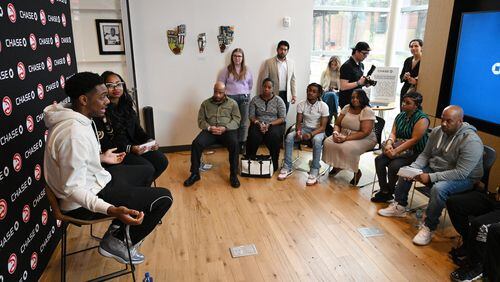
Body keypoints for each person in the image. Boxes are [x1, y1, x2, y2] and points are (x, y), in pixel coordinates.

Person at [43, 72, 173, 264]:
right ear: (84, 99)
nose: (107, 100)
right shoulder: (74, 134)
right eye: (102, 96)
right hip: (80, 204)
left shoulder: (78, 118)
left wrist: (101, 157)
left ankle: (118, 227)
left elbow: (74, 160)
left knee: (145, 170)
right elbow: (72, 189)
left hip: (95, 182)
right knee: (164, 197)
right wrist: (112, 210)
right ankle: (116, 241)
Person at [378, 105, 484, 246]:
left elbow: (461, 172)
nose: (444, 124)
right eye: (443, 119)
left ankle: (429, 226)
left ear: (460, 121)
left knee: (439, 189)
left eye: (449, 121)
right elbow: (426, 154)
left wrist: (431, 177)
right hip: (438, 168)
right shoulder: (437, 131)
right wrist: (413, 168)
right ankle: (400, 206)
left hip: (465, 177)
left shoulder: (471, 141)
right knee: (406, 171)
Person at [94, 71, 168, 182]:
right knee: (147, 168)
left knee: (161, 160)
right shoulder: (101, 111)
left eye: (119, 84)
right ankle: (137, 189)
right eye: (110, 86)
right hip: (117, 152)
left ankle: (142, 186)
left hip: (134, 147)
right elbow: (107, 144)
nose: (116, 88)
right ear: (103, 89)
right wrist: (130, 149)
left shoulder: (127, 106)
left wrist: (149, 140)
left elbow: (138, 130)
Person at [371, 92, 429, 203]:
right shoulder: (400, 116)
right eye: (403, 102)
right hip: (398, 149)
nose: (403, 104)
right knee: (379, 160)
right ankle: (384, 191)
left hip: (415, 152)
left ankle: (390, 190)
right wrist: (389, 143)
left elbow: (414, 140)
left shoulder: (422, 119)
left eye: (408, 103)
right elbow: (393, 133)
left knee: (394, 166)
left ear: (416, 106)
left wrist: (396, 151)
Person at [183, 82, 241, 188]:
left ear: (225, 92)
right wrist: (209, 127)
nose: (217, 95)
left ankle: (233, 175)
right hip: (210, 131)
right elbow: (200, 120)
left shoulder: (233, 103)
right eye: (215, 92)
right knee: (196, 143)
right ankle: (195, 174)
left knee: (234, 143)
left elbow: (237, 120)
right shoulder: (205, 104)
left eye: (220, 93)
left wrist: (225, 128)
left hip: (226, 131)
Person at [322, 89, 377, 185]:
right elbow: (338, 124)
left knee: (347, 148)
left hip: (364, 138)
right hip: (343, 133)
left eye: (357, 98)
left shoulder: (367, 111)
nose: (355, 100)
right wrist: (335, 133)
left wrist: (345, 138)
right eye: (353, 97)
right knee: (328, 142)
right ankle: (337, 166)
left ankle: (356, 172)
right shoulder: (347, 107)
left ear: (363, 98)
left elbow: (365, 132)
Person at [278, 83, 329, 185]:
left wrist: (311, 135)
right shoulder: (301, 104)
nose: (310, 93)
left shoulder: (323, 106)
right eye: (309, 90)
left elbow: (323, 127)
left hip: (318, 130)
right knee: (289, 137)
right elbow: (298, 123)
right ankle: (287, 166)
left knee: (317, 140)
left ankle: (314, 169)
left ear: (318, 94)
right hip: (305, 128)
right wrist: (298, 131)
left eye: (314, 91)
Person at [446, 190, 500, 282]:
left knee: (479, 224)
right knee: (454, 203)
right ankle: (469, 245)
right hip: (495, 196)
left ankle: (478, 267)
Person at [217, 48, 253, 152]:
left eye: (239, 56)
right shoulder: (226, 70)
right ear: (232, 57)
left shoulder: (247, 70)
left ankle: (241, 144)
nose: (237, 58)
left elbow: (250, 84)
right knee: (231, 122)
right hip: (230, 99)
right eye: (235, 56)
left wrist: (243, 91)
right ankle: (232, 144)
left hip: (244, 98)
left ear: (242, 58)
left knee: (243, 123)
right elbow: (221, 84)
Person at [246, 78, 286, 172]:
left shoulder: (278, 100)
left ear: (273, 88)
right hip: (258, 123)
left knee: (273, 135)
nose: (266, 89)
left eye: (269, 87)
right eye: (265, 87)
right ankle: (251, 161)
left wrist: (269, 124)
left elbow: (282, 118)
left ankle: (274, 163)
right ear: (262, 87)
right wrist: (259, 123)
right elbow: (251, 116)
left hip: (274, 124)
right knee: (253, 135)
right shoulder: (255, 99)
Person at [261, 40, 296, 113]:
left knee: (284, 115)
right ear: (277, 49)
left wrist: (294, 95)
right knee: (272, 115)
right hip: (273, 93)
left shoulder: (291, 63)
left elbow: (293, 80)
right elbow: (265, 79)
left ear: (287, 51)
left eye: (285, 50)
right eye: (281, 49)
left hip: (286, 94)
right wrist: (265, 94)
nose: (283, 51)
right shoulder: (269, 62)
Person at [338, 41, 371, 109]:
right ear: (356, 52)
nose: (365, 56)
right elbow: (343, 86)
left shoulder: (361, 65)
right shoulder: (347, 66)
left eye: (367, 54)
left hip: (358, 99)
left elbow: (357, 82)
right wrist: (359, 83)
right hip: (348, 100)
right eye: (364, 53)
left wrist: (365, 83)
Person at [399, 39, 423, 106]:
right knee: (403, 111)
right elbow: (401, 76)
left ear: (421, 47)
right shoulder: (408, 60)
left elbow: (427, 77)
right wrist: (404, 76)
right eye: (411, 46)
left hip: (417, 91)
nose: (413, 48)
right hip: (405, 90)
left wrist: (416, 81)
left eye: (416, 46)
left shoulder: (425, 61)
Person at [320, 55, 341, 120]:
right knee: (331, 95)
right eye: (332, 64)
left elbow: (342, 88)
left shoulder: (341, 73)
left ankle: (328, 117)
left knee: (333, 96)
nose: (333, 66)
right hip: (326, 92)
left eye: (335, 65)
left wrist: (336, 90)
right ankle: (335, 115)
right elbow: (321, 85)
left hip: (337, 93)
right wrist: (325, 89)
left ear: (338, 65)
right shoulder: (325, 72)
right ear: (329, 64)